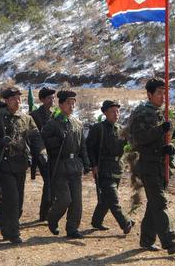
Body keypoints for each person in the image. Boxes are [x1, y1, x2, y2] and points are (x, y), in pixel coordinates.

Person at [0, 87, 48, 244]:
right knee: (12, 198)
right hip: (4, 164)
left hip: (21, 164)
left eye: (19, 99)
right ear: (6, 101)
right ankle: (14, 233)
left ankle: (6, 226)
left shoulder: (26, 118)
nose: (17, 102)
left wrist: (42, 152)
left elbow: (35, 137)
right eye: (13, 99)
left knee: (18, 200)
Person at [127, 77, 175, 254]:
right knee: (160, 202)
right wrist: (160, 130)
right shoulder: (141, 113)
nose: (163, 96)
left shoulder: (170, 113)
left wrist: (172, 146)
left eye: (165, 92)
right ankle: (170, 242)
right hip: (147, 164)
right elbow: (137, 138)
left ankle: (146, 240)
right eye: (159, 93)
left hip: (165, 165)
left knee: (154, 204)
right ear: (149, 94)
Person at [41, 90, 90, 238]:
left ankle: (72, 228)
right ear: (60, 104)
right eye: (68, 103)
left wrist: (86, 163)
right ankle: (52, 218)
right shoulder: (53, 123)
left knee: (76, 200)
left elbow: (83, 146)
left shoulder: (77, 123)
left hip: (75, 164)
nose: (71, 106)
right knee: (64, 199)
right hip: (59, 165)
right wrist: (56, 141)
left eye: (73, 103)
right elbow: (43, 142)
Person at [87, 100, 134, 234]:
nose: (116, 114)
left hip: (117, 169)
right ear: (105, 113)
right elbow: (90, 148)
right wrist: (93, 165)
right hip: (103, 169)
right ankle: (125, 223)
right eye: (113, 111)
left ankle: (96, 221)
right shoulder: (98, 128)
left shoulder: (121, 130)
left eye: (118, 111)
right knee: (113, 199)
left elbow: (128, 147)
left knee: (106, 199)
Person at [30, 87, 56, 221]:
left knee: (52, 182)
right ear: (42, 100)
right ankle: (45, 212)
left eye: (53, 98)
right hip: (40, 154)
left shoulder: (55, 114)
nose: (52, 100)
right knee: (49, 181)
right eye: (49, 98)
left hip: (54, 154)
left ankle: (47, 210)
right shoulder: (34, 115)